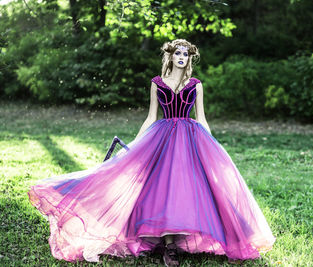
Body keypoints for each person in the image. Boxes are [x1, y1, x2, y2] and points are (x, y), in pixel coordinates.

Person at [27, 39, 276, 267]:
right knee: (162, 188)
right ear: (170, 57)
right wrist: (137, 145)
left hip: (190, 137)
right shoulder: (157, 83)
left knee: (188, 189)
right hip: (162, 136)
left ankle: (178, 241)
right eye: (178, 53)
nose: (182, 57)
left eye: (186, 54)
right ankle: (167, 246)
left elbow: (201, 118)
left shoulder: (196, 85)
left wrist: (211, 145)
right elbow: (150, 117)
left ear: (190, 59)